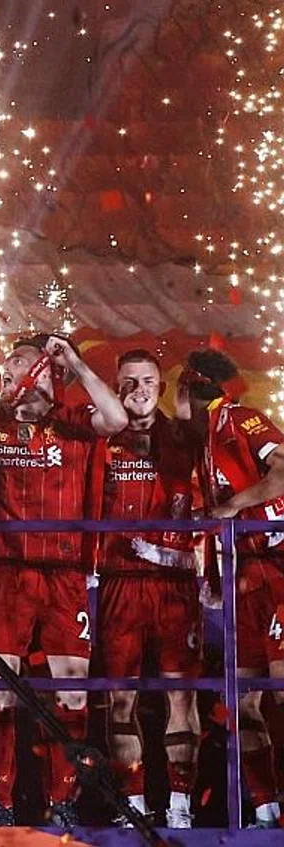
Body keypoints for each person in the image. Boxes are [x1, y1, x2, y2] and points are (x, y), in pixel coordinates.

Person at [0, 333, 127, 827]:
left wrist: (74, 362)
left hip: (63, 575)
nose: (6, 367)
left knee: (72, 694)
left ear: (42, 370)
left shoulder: (73, 421)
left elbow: (117, 419)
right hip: (7, 572)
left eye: (18, 360)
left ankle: (62, 801)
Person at [99, 350, 204, 829]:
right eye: (128, 381)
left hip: (174, 584)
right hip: (119, 582)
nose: (137, 390)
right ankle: (134, 806)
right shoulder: (102, 437)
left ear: (159, 388)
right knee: (120, 699)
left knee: (182, 697)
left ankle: (180, 807)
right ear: (115, 386)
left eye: (146, 381)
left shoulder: (185, 436)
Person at [190, 348, 284, 828]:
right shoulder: (203, 437)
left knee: (281, 691)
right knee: (243, 698)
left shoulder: (243, 418)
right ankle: (267, 808)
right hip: (241, 573)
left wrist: (234, 506)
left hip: (277, 566)